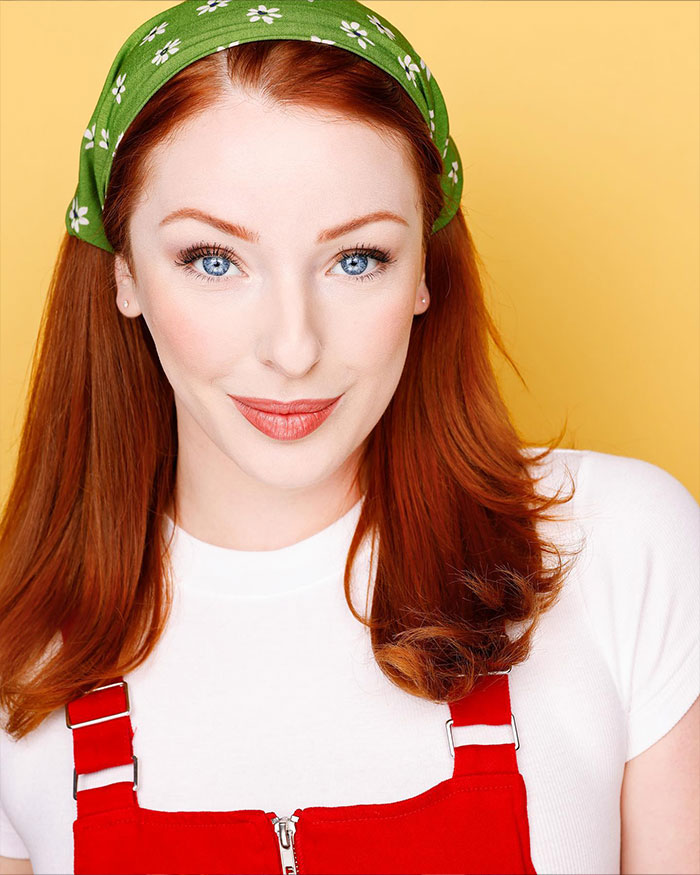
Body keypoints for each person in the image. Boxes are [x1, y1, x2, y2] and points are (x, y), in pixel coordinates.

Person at [0, 1, 698, 874]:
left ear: (424, 272)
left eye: (357, 258)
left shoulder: (620, 547)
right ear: (125, 274)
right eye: (213, 260)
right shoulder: (20, 660)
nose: (294, 348)